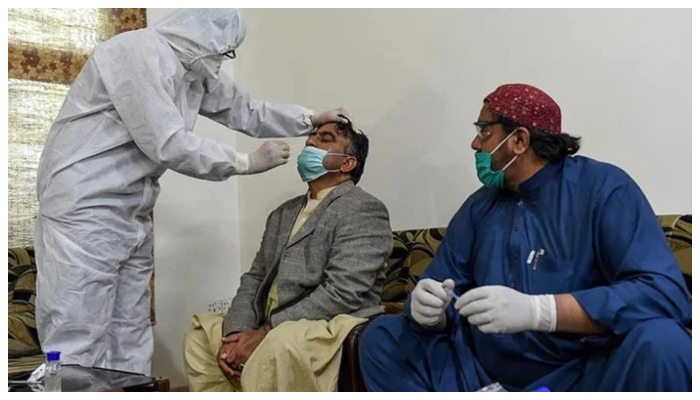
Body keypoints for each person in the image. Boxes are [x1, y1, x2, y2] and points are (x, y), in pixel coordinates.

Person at [34, 8, 348, 375]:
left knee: (129, 330)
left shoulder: (193, 69)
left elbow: (247, 111)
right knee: (78, 329)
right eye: (225, 50)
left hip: (131, 211)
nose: (223, 60)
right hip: (84, 204)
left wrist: (308, 117)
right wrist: (243, 162)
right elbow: (166, 142)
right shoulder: (135, 52)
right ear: (205, 38)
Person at [359, 83, 692, 391]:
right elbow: (444, 286)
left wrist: (542, 311)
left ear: (519, 140)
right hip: (481, 375)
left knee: (663, 343)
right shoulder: (479, 206)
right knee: (382, 337)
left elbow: (664, 294)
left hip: (580, 373)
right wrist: (427, 311)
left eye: (484, 130)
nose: (475, 143)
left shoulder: (605, 188)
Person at [183, 120, 393, 391]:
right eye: (312, 137)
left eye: (325, 139)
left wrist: (265, 333)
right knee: (201, 335)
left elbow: (344, 292)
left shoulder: (363, 208)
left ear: (347, 163)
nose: (310, 143)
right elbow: (255, 278)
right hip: (271, 323)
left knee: (278, 344)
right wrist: (236, 333)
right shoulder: (283, 213)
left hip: (333, 323)